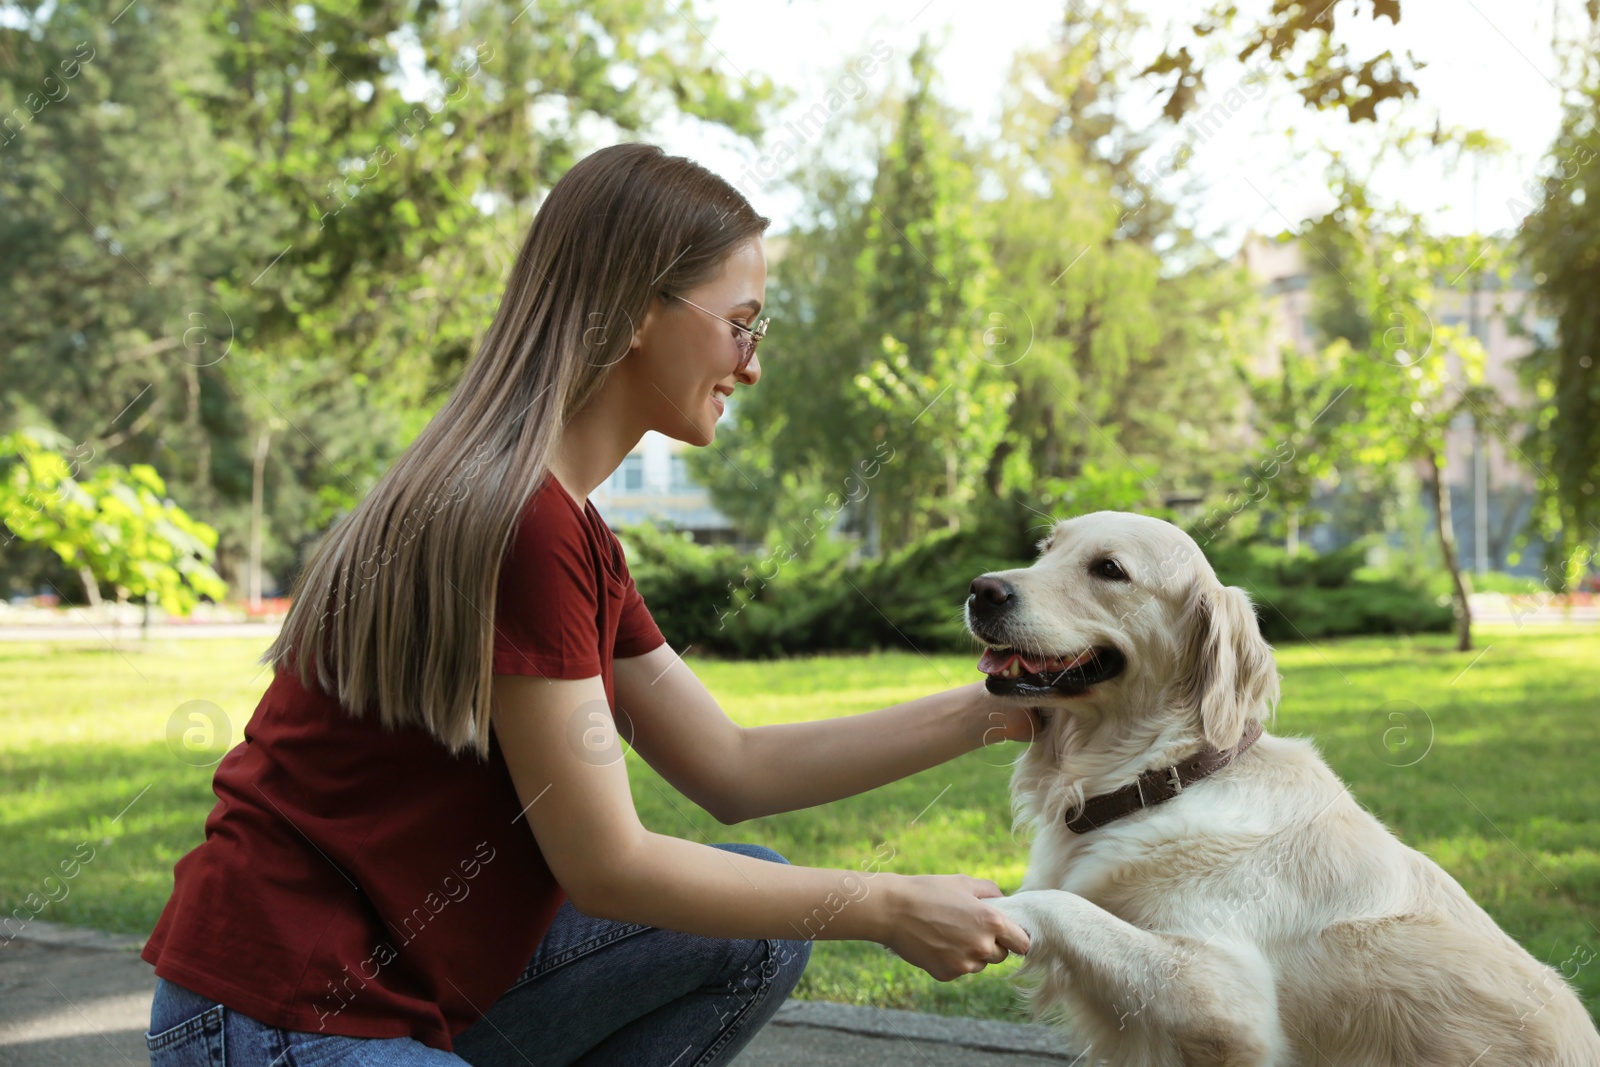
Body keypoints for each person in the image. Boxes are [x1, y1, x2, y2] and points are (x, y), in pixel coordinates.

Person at [141, 141, 1039, 1067]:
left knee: (759, 916)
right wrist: (886, 906)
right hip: (281, 1019)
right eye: (742, 324)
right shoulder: (521, 523)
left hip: (389, 998)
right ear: (641, 309)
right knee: (768, 905)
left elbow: (732, 767)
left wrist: (997, 710)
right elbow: (606, 865)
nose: (752, 363)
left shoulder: (566, 526)